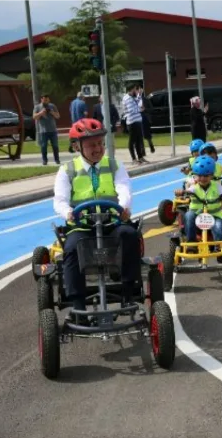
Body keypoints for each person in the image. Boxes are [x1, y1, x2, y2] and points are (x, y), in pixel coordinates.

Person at [52, 118, 138, 325]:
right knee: (71, 248)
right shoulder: (67, 170)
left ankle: (127, 292)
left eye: (100, 143)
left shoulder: (115, 165)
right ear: (77, 146)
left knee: (129, 235)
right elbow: (60, 200)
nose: (97, 148)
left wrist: (124, 207)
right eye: (91, 145)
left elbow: (123, 188)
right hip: (82, 226)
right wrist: (68, 213)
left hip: (111, 224)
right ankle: (79, 306)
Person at [183, 156, 222, 243]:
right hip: (197, 217)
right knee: (188, 215)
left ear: (211, 175)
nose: (203, 178)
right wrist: (181, 192)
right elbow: (186, 192)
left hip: (215, 216)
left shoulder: (217, 186)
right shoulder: (194, 188)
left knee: (219, 227)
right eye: (199, 176)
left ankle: (219, 246)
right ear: (195, 176)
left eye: (206, 176)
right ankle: (191, 243)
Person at [122, 84, 147, 164]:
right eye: (135, 89)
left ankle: (140, 157)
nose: (136, 91)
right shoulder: (127, 98)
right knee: (132, 141)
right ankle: (134, 159)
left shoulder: (132, 97)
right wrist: (140, 109)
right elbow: (132, 110)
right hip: (132, 122)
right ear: (131, 89)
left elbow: (138, 103)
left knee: (138, 140)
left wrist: (140, 95)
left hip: (137, 121)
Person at [33, 94, 61, 165]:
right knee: (44, 146)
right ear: (41, 99)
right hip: (43, 131)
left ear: (49, 100)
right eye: (44, 100)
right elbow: (34, 117)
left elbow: (58, 116)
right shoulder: (38, 107)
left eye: (47, 100)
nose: (46, 101)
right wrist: (41, 113)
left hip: (53, 130)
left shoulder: (52, 106)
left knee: (55, 145)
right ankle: (45, 160)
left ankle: (57, 160)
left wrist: (52, 112)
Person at [138, 87, 156, 154]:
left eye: (140, 90)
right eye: (138, 90)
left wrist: (145, 109)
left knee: (147, 135)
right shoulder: (134, 100)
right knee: (140, 135)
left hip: (145, 119)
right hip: (138, 119)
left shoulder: (146, 99)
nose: (139, 92)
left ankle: (151, 145)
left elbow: (151, 109)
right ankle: (142, 150)